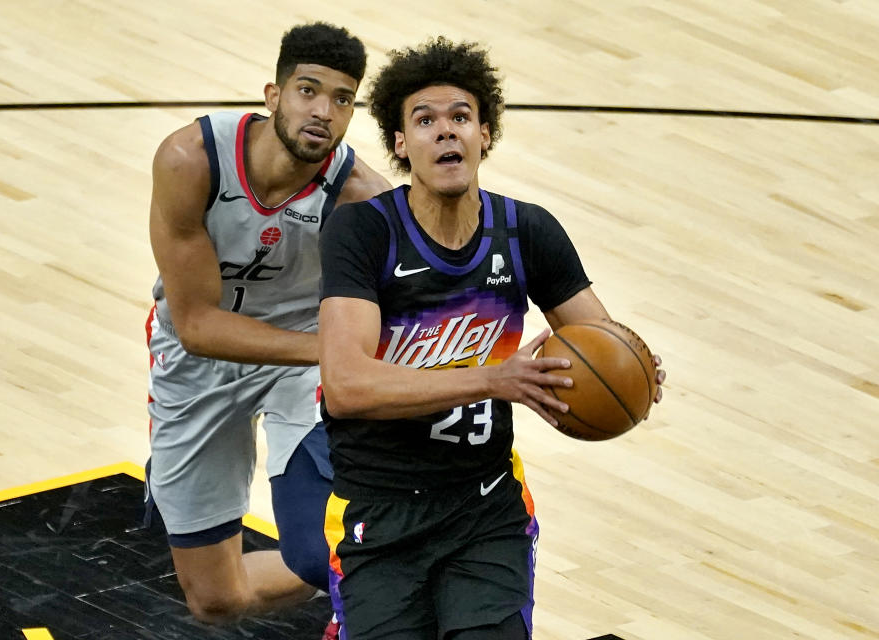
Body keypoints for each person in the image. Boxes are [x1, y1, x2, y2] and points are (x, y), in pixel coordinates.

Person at [318, 37, 665, 639]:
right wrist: (492, 379)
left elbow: (595, 339)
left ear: (485, 136)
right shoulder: (364, 232)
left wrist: (632, 367)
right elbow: (346, 386)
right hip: (377, 510)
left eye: (460, 118)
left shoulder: (526, 231)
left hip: (484, 505)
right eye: (424, 120)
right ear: (401, 144)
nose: (445, 132)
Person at [144, 22, 391, 630]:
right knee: (215, 601)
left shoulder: (358, 195)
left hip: (302, 371)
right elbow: (200, 325)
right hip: (200, 360)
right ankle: (351, 573)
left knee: (318, 549)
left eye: (342, 100)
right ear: (272, 95)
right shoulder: (191, 160)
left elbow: (424, 279)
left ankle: (366, 587)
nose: (324, 112)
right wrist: (328, 350)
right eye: (308, 90)